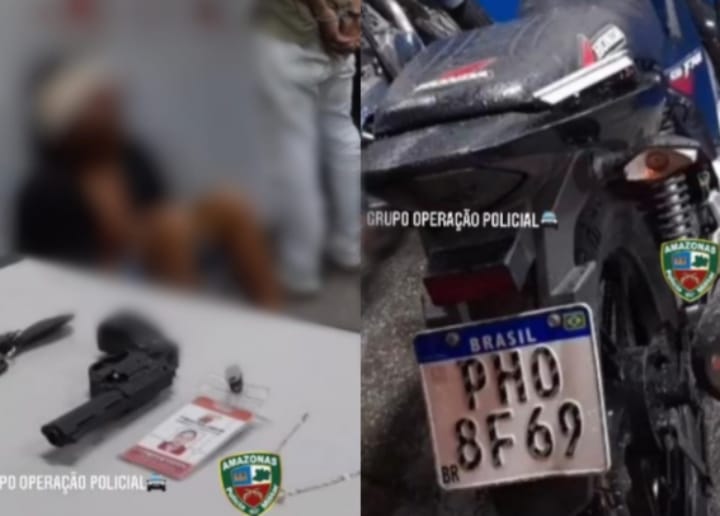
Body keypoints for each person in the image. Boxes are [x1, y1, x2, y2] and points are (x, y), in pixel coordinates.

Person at [14, 58, 282, 308]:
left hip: (157, 257)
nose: (111, 111)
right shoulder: (44, 191)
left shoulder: (133, 157)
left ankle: (271, 316)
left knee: (228, 202)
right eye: (97, 106)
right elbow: (52, 270)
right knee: (169, 228)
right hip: (98, 283)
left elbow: (164, 207)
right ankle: (191, 331)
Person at [256, 0, 362, 294]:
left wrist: (325, 15)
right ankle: (349, 246)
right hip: (342, 33)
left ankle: (301, 267)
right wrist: (354, 14)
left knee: (295, 146)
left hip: (289, 34)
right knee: (340, 133)